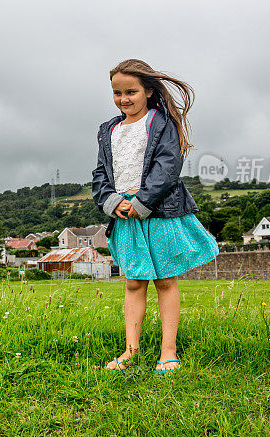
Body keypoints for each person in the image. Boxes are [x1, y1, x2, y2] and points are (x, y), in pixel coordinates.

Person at [92, 59, 219, 374]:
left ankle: (168, 351)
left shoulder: (162, 123)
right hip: (125, 218)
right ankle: (130, 350)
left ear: (148, 90)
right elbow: (100, 173)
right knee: (134, 282)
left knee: (165, 280)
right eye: (117, 93)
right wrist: (111, 201)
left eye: (131, 91)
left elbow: (167, 167)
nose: (124, 99)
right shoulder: (107, 130)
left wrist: (143, 201)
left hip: (159, 213)